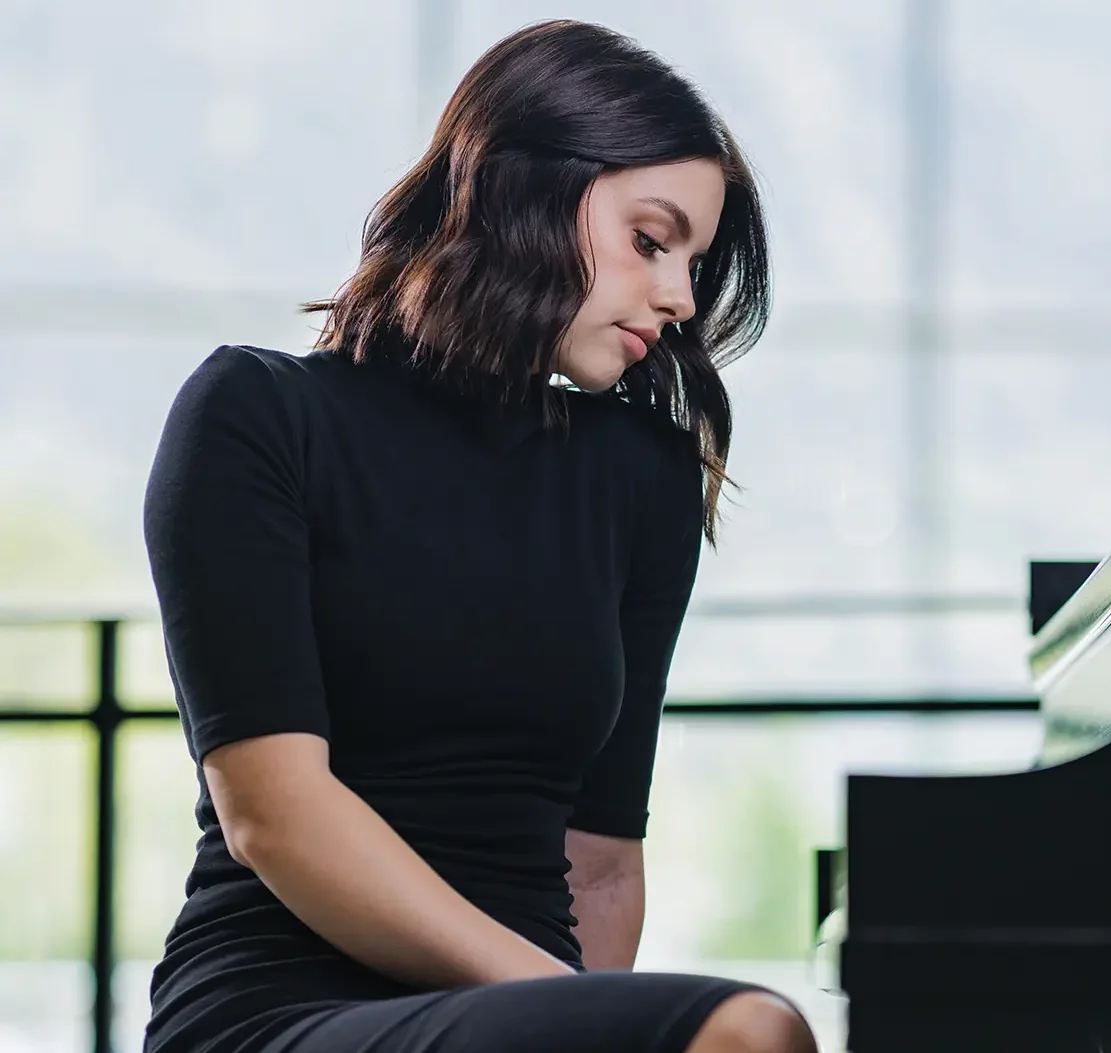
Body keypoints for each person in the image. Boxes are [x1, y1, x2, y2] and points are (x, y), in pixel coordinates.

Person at [140, 18, 818, 1053]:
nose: (680, 299)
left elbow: (601, 862)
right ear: (519, 188)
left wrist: (572, 1017)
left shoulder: (642, 479)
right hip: (274, 1005)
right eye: (650, 239)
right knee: (747, 1031)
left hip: (524, 1007)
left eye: (694, 261)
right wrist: (553, 999)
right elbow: (272, 814)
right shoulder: (256, 415)